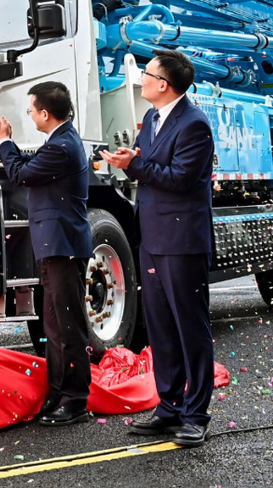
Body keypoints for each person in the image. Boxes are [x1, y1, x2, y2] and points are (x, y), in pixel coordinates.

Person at [98, 49, 215, 448]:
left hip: (182, 240)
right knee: (161, 326)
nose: (142, 79)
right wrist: (132, 157)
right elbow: (150, 161)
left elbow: (180, 178)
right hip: (152, 234)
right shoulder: (151, 118)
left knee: (190, 327)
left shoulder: (194, 123)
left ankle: (195, 414)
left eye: (147, 73)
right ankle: (169, 405)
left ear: (163, 84)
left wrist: (133, 166)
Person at [0, 82, 94, 427]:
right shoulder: (59, 141)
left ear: (45, 113)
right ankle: (58, 392)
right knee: (54, 325)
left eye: (31, 110)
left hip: (63, 245)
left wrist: (4, 140)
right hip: (55, 244)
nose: (30, 115)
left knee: (68, 325)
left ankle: (75, 400)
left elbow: (20, 174)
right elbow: (28, 167)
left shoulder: (61, 146)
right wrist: (10, 143)